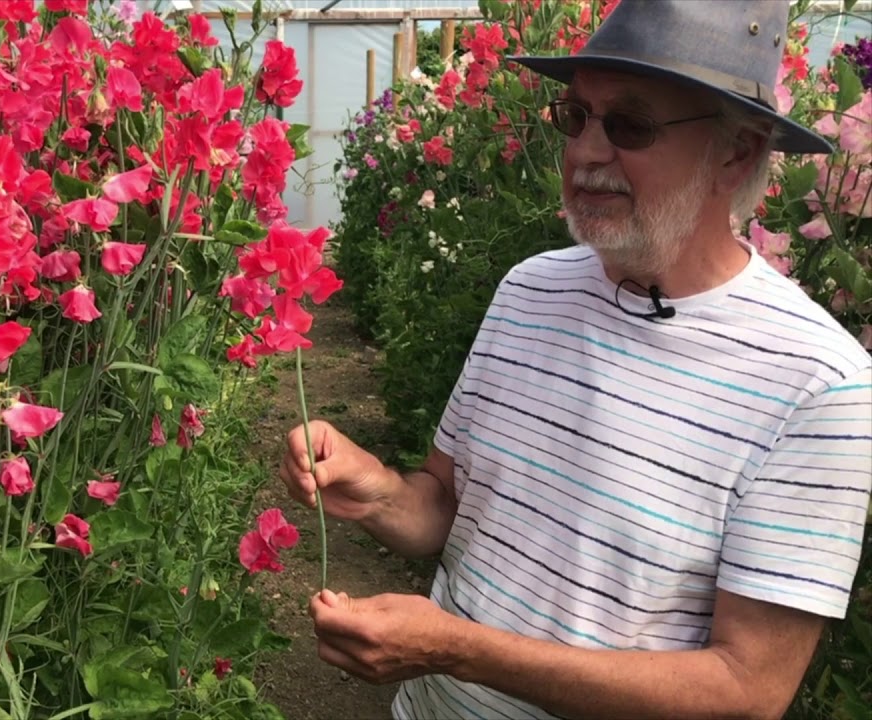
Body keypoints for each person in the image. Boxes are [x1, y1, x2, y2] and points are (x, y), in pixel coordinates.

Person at [277, 1, 872, 718]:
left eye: (629, 124)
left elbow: (747, 690)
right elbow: (448, 507)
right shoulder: (531, 289)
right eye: (575, 116)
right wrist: (375, 490)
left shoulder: (819, 382)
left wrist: (457, 648)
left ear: (736, 152)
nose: (586, 152)